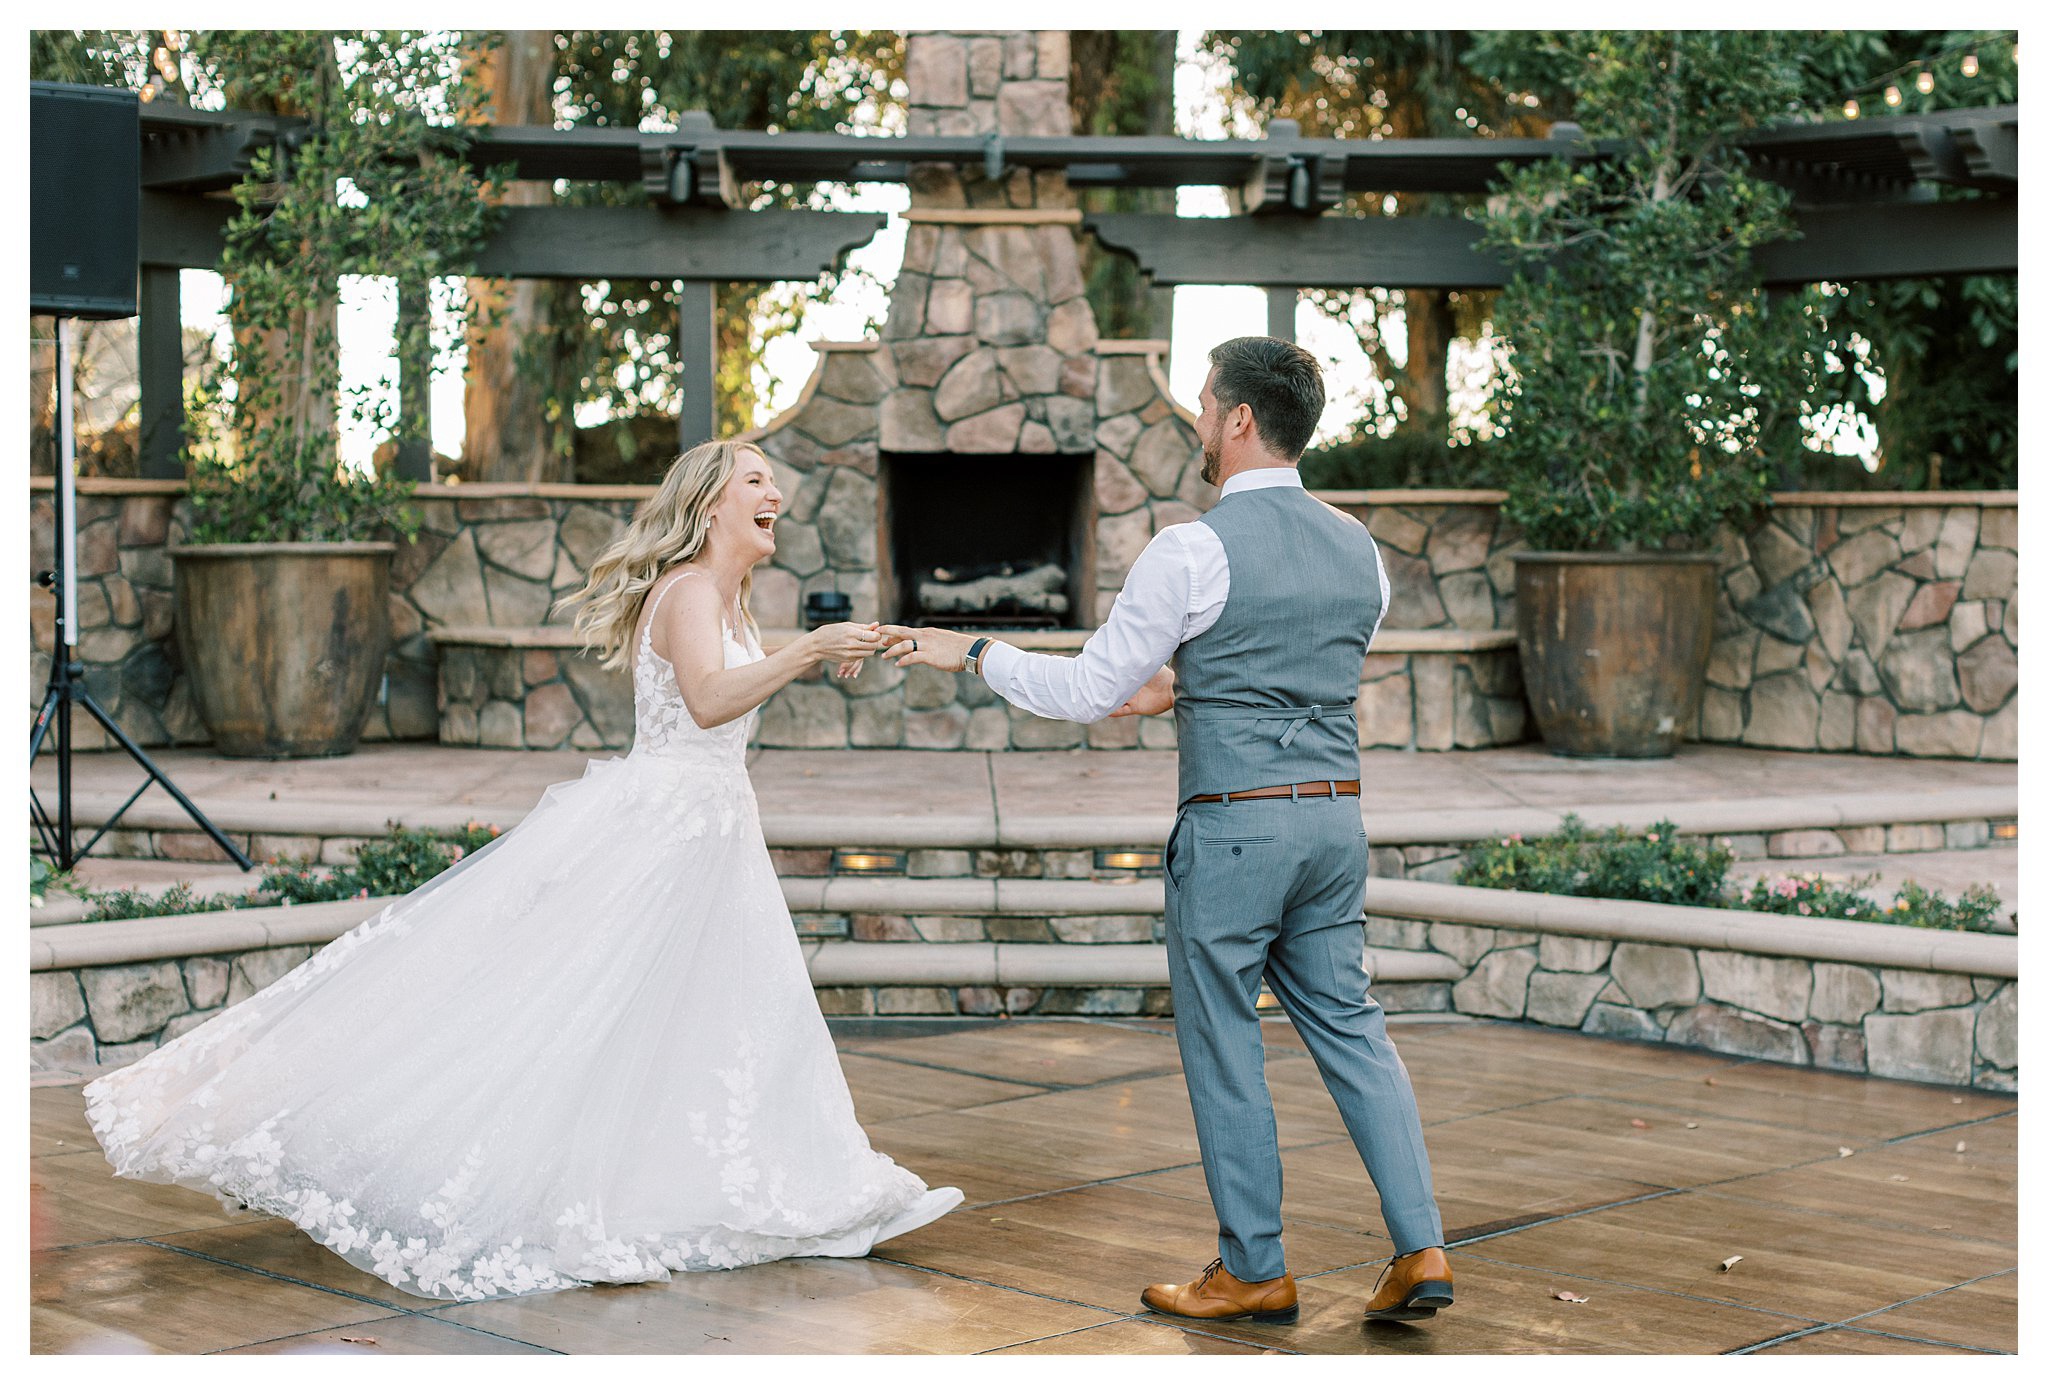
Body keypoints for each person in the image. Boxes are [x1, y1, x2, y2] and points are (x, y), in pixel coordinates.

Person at [85, 439, 961, 1302]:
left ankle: (774, 1184)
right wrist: (807, 651)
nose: (777, 492)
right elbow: (705, 701)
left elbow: (732, 696)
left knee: (715, 1018)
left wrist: (806, 655)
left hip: (714, 832)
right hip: (661, 830)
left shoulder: (733, 603)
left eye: (776, 480)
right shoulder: (690, 589)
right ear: (709, 505)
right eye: (756, 479)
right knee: (577, 1013)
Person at [879, 337, 1452, 1326]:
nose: (1194, 420)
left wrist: (970, 648)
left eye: (1200, 403)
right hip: (1333, 819)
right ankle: (1420, 1246)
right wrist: (1188, 686)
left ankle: (1253, 1267)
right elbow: (1290, 668)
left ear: (1235, 420)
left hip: (1234, 832)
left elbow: (1089, 688)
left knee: (1224, 1039)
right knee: (1356, 1031)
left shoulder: (1191, 546)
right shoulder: (1360, 549)